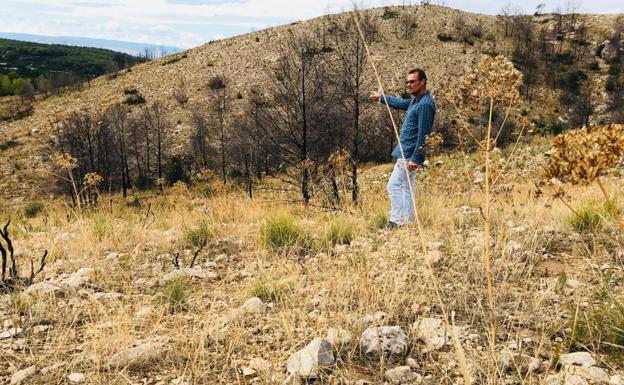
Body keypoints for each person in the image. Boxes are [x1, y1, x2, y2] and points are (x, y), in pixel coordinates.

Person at [369, 68, 436, 227]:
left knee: (394, 186)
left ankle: (396, 222)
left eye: (412, 81)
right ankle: (408, 222)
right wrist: (381, 99)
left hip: (409, 154)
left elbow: (423, 133)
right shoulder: (416, 101)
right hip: (407, 153)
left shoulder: (425, 104)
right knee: (406, 189)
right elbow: (401, 103)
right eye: (407, 82)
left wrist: (416, 157)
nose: (409, 85)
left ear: (423, 81)